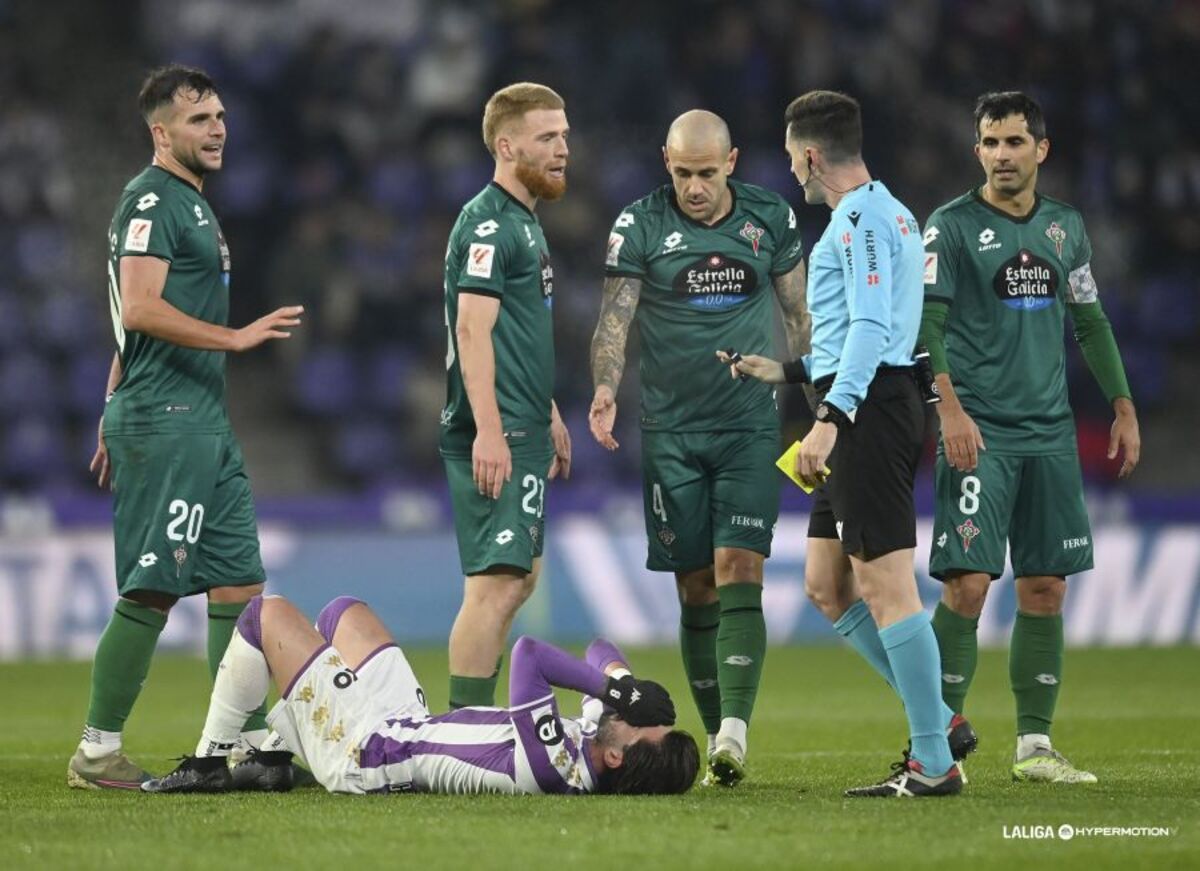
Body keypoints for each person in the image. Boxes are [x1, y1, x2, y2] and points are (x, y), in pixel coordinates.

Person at [721, 91, 970, 797]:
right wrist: (788, 369)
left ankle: (933, 759)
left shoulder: (858, 219)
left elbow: (868, 330)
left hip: (865, 410)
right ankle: (941, 720)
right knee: (828, 584)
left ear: (809, 155)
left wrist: (829, 417)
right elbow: (880, 326)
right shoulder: (891, 212)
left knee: (887, 587)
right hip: (863, 396)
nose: (792, 172)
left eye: (792, 158)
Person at [68, 65, 304, 790]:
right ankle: (97, 751)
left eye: (221, 117)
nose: (218, 129)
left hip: (198, 416)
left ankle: (239, 742)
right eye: (200, 120)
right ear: (160, 132)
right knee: (153, 589)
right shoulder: (152, 199)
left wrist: (117, 390)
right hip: (170, 417)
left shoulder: (191, 204)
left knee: (240, 582)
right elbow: (137, 306)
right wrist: (231, 339)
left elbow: (126, 323)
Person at [918, 92, 1140, 784]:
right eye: (990, 142)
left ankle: (1035, 747)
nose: (1002, 155)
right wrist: (949, 409)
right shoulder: (950, 227)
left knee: (1046, 587)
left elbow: (1091, 321)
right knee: (969, 583)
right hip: (980, 429)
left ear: (1041, 149)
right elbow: (927, 324)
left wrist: (1123, 405)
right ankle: (933, 735)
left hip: (1049, 433)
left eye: (1015, 142)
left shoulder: (1066, 228)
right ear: (976, 149)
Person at [588, 110, 808, 787]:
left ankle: (735, 734)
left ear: (732, 161)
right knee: (695, 584)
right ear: (666, 162)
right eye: (682, 173)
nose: (694, 188)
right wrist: (604, 389)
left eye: (707, 174)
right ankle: (716, 735)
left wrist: (819, 406)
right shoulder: (640, 225)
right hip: (671, 433)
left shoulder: (771, 219)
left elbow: (800, 317)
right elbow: (614, 319)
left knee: (740, 563)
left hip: (748, 425)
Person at [141, 595, 699, 796]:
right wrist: (625, 682)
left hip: (369, 751)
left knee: (266, 615)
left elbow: (529, 653)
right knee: (343, 613)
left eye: (641, 724)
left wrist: (610, 687)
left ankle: (211, 760)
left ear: (618, 755)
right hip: (405, 722)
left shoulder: (556, 768)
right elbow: (601, 646)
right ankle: (273, 758)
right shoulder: (598, 746)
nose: (630, 714)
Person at [440, 83, 572, 712]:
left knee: (521, 578)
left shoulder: (524, 220)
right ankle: (463, 732)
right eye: (547, 137)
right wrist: (489, 430)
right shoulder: (491, 222)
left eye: (565, 136)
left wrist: (546, 409)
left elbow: (516, 331)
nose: (562, 149)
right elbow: (473, 328)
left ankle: (475, 719)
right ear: (506, 144)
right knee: (495, 586)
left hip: (523, 420)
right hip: (495, 430)